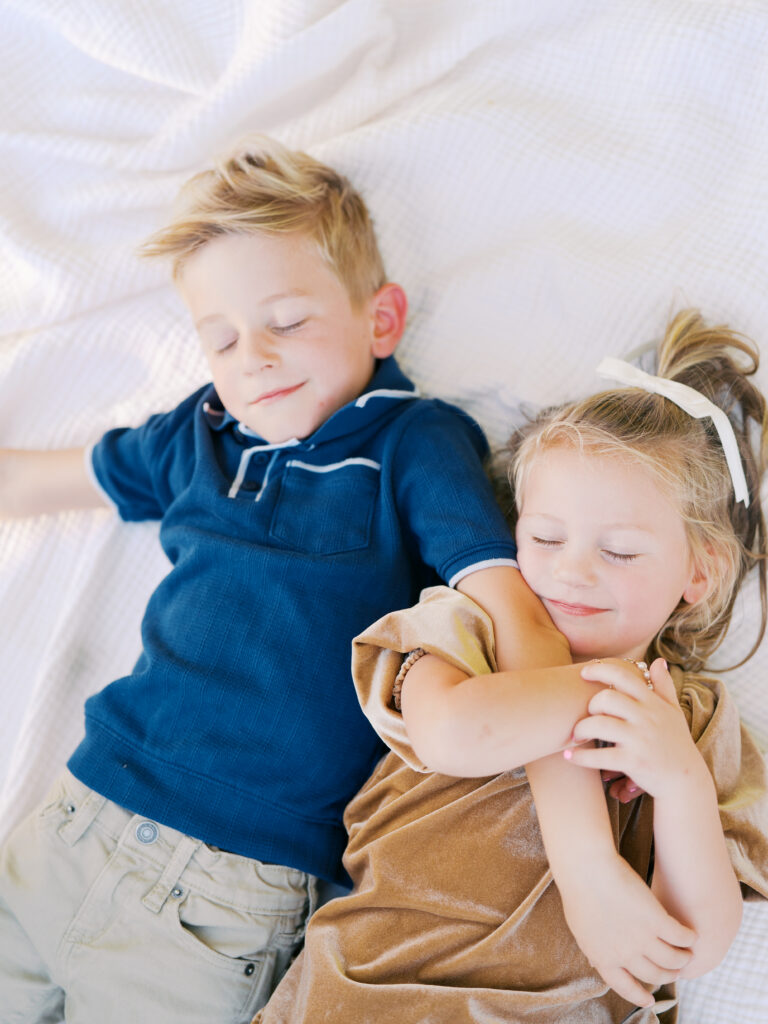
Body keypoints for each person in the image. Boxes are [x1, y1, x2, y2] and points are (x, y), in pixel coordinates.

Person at [0, 136, 568, 1023]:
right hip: (72, 824)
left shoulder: (411, 442)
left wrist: (575, 793)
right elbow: (30, 479)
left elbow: (512, 609)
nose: (253, 356)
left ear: (380, 320)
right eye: (219, 337)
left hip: (226, 897)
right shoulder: (199, 433)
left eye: (287, 321)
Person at [256, 310, 768, 1024]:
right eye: (545, 537)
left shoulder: (692, 723)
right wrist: (605, 696)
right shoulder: (471, 629)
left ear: (701, 573)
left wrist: (678, 779)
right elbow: (455, 734)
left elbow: (694, 942)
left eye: (618, 551)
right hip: (370, 992)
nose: (570, 572)